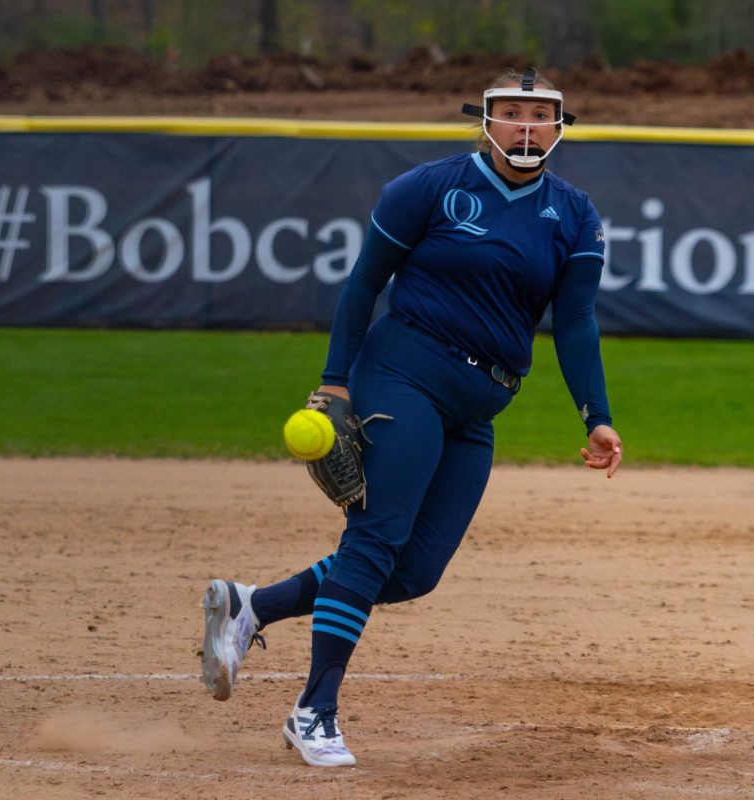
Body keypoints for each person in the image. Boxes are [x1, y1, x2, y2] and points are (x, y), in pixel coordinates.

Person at [200, 66, 623, 768]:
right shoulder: (428, 188)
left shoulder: (573, 213)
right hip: (404, 370)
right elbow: (363, 282)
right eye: (511, 112)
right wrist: (335, 384)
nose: (525, 126)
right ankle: (315, 712)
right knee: (376, 536)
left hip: (481, 402)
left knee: (416, 568)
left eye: (539, 115)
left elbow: (575, 321)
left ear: (558, 127)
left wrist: (595, 417)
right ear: (485, 121)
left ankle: (254, 606)